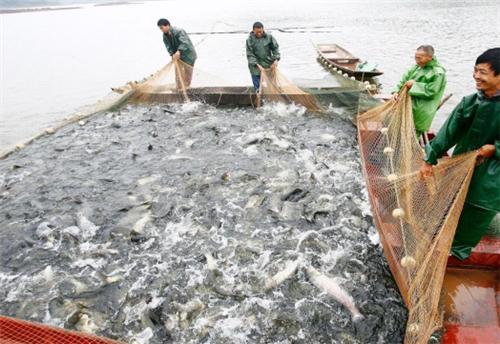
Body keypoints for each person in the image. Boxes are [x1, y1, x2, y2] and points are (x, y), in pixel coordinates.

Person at [420, 48, 500, 260]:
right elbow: (448, 133)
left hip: (493, 175)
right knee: (448, 202)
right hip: (462, 163)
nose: (476, 76)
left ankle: (456, 253)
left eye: (482, 72)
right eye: (475, 70)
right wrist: (429, 159)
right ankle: (438, 243)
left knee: (477, 211)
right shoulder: (471, 101)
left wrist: (495, 148)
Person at [392, 45, 447, 137]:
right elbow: (404, 79)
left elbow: (432, 91)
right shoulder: (417, 67)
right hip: (408, 106)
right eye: (415, 58)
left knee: (412, 135)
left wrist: (414, 85)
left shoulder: (438, 72)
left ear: (429, 57)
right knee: (400, 130)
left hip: (421, 110)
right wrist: (396, 91)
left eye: (419, 58)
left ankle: (409, 149)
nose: (416, 60)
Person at [157, 18, 197, 89]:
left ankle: (187, 89)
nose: (161, 30)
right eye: (160, 28)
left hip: (189, 56)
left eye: (162, 28)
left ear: (167, 25)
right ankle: (179, 89)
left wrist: (179, 51)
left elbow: (184, 43)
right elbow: (168, 47)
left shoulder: (179, 31)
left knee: (187, 76)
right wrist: (172, 54)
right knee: (178, 75)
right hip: (177, 57)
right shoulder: (164, 36)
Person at [246, 21, 280, 92]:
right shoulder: (249, 40)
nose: (259, 34)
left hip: (268, 63)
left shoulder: (269, 37)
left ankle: (273, 93)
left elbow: (275, 49)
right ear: (253, 30)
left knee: (272, 84)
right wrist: (258, 65)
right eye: (257, 32)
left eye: (260, 32)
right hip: (255, 65)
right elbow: (250, 54)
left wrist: (276, 60)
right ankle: (258, 93)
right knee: (258, 86)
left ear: (263, 29)